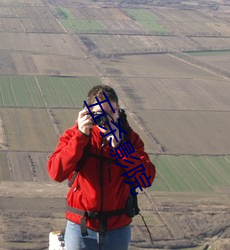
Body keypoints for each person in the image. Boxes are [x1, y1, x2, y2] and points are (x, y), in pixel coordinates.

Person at [47, 85, 156, 250]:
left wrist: (122, 147)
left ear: (118, 111)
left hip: (117, 228)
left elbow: (145, 179)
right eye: (99, 114)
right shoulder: (75, 136)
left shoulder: (129, 139)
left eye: (111, 113)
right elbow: (56, 172)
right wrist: (81, 136)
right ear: (88, 112)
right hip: (82, 226)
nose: (106, 119)